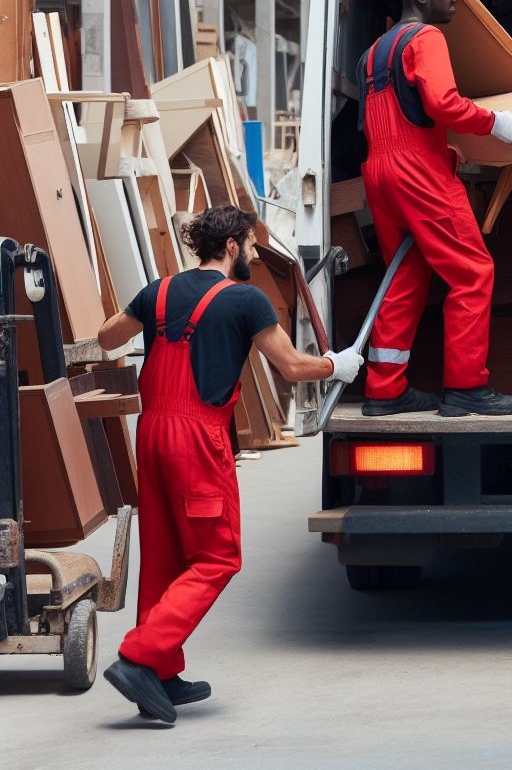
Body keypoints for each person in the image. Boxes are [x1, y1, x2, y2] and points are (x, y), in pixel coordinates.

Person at [98, 205, 363, 723]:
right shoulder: (247, 299)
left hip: (151, 432)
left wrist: (146, 314)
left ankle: (161, 673)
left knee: (166, 554)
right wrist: (338, 365)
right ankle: (138, 656)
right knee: (218, 555)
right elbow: (290, 366)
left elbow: (108, 336)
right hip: (196, 437)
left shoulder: (159, 290)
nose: (253, 254)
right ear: (235, 246)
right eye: (251, 243)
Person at [356, 0, 512, 418]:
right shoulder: (427, 38)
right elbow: (441, 103)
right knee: (472, 272)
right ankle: (467, 388)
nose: (454, 0)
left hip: (379, 170)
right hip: (418, 174)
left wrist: (443, 152)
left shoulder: (375, 51)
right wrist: (496, 124)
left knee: (404, 275)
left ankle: (385, 390)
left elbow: (383, 122)